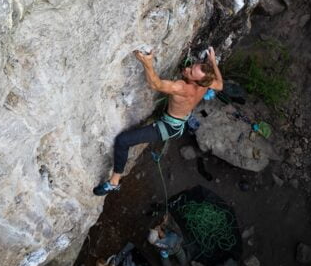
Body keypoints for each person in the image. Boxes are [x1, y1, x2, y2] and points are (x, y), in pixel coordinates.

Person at [93, 47, 223, 196]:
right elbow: (220, 84)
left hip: (168, 128)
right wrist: (213, 62)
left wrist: (147, 63)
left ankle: (113, 183)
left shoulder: (182, 87)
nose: (187, 69)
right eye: (191, 66)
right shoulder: (206, 84)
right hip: (179, 121)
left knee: (123, 141)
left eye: (191, 72)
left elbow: (156, 84)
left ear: (196, 82)